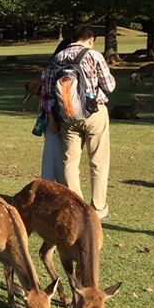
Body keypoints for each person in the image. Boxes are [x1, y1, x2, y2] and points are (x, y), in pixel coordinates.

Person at [41, 25, 116, 220]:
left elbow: (48, 92)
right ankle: (99, 209)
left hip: (67, 116)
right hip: (94, 113)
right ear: (91, 39)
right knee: (98, 160)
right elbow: (109, 86)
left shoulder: (57, 58)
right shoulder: (93, 55)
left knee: (70, 162)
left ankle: (77, 206)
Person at [37, 37, 73, 182]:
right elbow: (46, 96)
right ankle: (50, 188)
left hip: (67, 116)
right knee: (53, 155)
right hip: (54, 116)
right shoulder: (52, 67)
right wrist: (51, 119)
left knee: (64, 155)